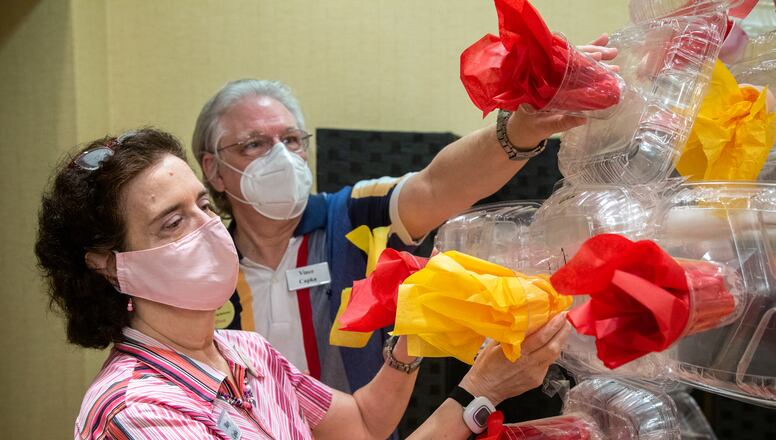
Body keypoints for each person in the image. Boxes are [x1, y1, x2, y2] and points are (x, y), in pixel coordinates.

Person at [35, 129, 571, 439]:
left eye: (202, 206)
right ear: (109, 264)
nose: (207, 229)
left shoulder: (246, 353)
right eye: (171, 222)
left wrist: (415, 328)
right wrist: (480, 392)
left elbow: (361, 423)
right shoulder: (140, 410)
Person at [190, 35, 616, 394]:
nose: (281, 157)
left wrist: (522, 127)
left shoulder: (353, 213)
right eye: (254, 144)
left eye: (291, 139)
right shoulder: (201, 269)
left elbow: (438, 185)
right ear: (213, 170)